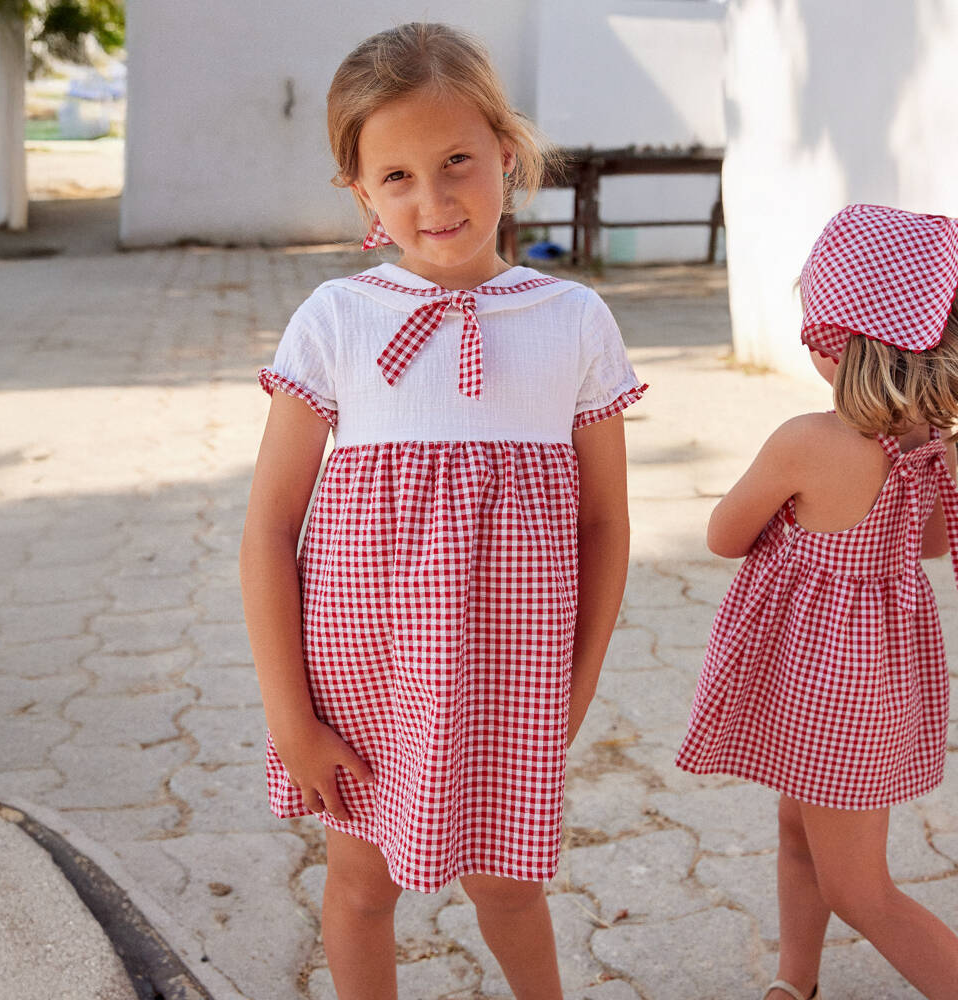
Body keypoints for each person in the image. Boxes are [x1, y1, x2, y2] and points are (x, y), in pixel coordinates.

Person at [240, 22, 645, 1000]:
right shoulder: (335, 320)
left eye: (457, 160)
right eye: (398, 177)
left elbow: (604, 524)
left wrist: (578, 681)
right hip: (361, 673)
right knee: (360, 879)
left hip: (509, 670)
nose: (435, 198)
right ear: (361, 193)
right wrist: (289, 715)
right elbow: (266, 530)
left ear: (506, 150)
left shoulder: (572, 321)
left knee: (506, 881)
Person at [676, 203, 958, 1000]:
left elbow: (725, 535)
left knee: (860, 891)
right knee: (798, 831)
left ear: (837, 343)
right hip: (875, 682)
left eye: (813, 325)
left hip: (824, 686)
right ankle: (793, 983)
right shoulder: (930, 446)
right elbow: (930, 547)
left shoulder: (808, 440)